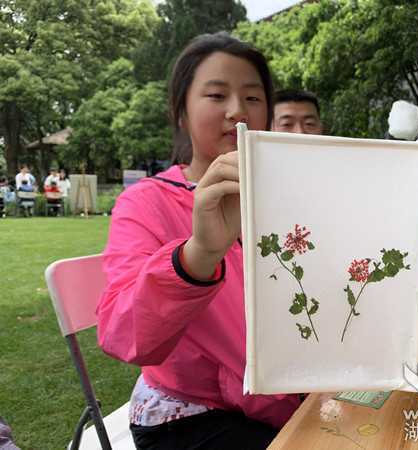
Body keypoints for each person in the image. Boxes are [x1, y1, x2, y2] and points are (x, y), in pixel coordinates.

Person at [96, 32, 300, 449]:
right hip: (190, 413)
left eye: (253, 97)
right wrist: (200, 253)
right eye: (216, 95)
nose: (237, 111)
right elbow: (123, 334)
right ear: (182, 113)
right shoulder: (146, 202)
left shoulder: (287, 199)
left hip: (285, 401)